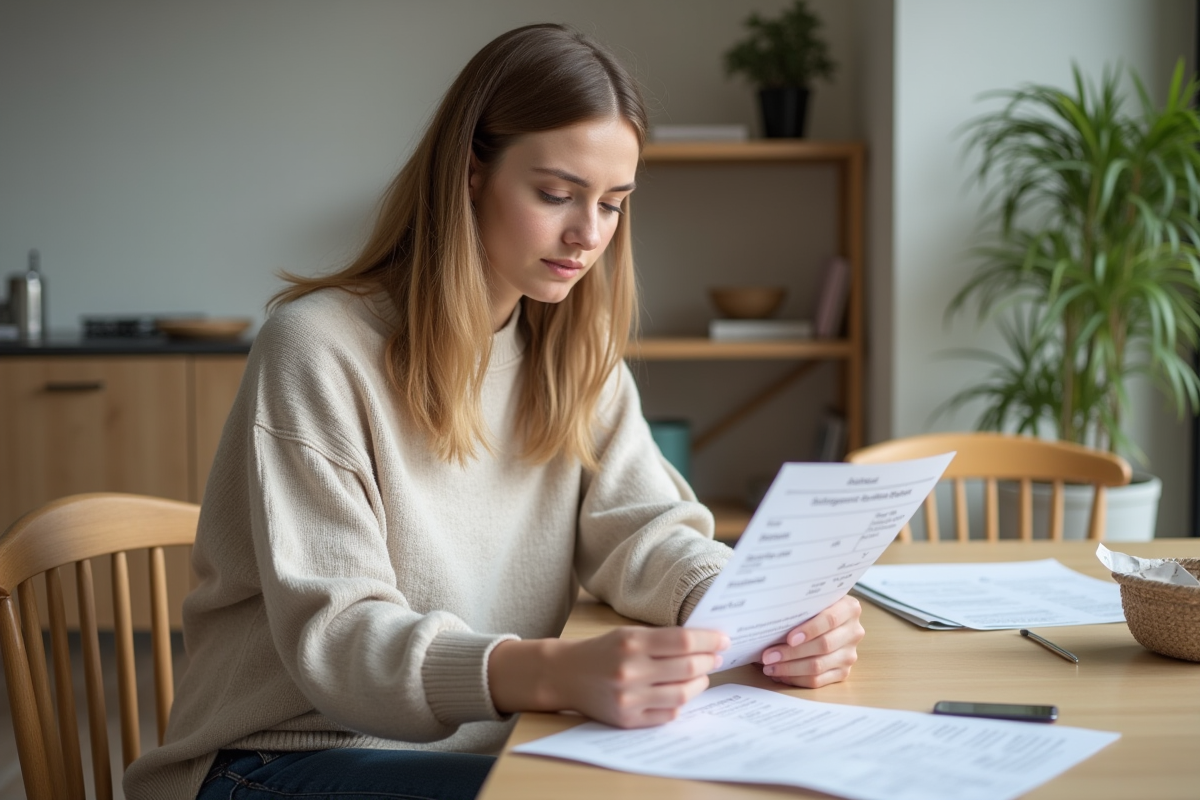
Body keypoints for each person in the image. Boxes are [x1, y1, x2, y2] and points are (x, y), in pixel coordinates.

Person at [124, 22, 864, 800]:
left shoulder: (571, 347)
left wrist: (756, 609)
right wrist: (551, 670)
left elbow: (644, 527)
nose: (588, 235)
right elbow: (341, 641)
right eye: (555, 194)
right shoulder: (316, 347)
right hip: (278, 758)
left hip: (491, 747)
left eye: (614, 204)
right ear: (470, 171)